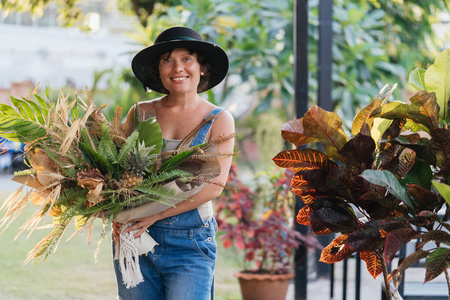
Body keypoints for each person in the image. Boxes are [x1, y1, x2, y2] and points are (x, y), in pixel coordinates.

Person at [112, 26, 235, 300]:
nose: (177, 67)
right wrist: (115, 213)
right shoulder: (141, 112)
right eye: (168, 60)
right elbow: (117, 172)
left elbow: (215, 186)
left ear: (202, 68)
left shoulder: (219, 119)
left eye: (186, 59)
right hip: (136, 237)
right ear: (159, 70)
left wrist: (154, 216)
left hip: (190, 240)